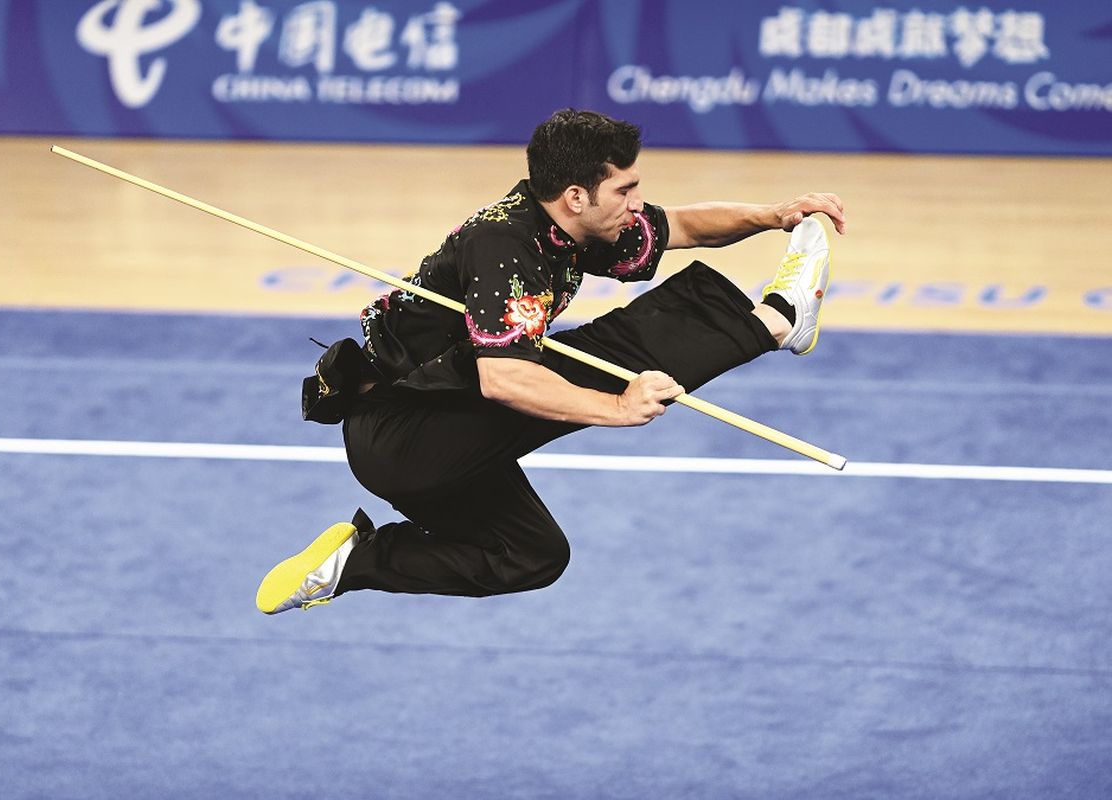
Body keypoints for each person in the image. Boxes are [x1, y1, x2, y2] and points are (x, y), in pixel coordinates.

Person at [254, 108, 845, 614]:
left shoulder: (570, 225)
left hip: (437, 429)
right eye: (626, 190)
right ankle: (777, 319)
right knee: (595, 363)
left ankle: (349, 564)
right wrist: (617, 406)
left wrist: (775, 216)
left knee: (530, 556)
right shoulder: (506, 249)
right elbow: (504, 378)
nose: (637, 203)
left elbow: (682, 226)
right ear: (575, 196)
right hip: (405, 435)